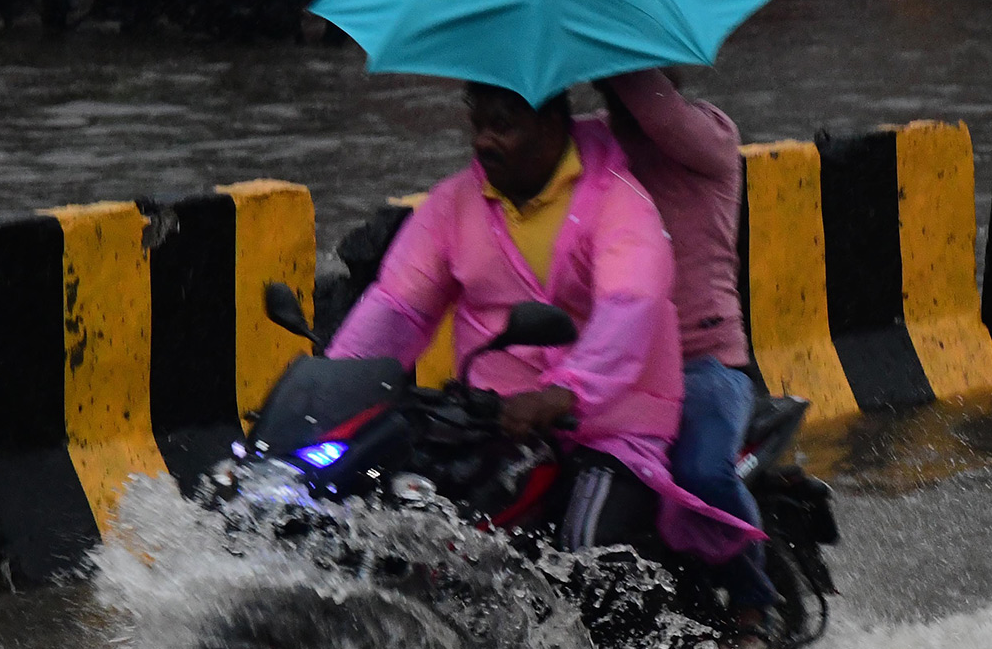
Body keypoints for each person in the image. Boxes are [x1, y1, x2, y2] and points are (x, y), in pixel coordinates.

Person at [327, 81, 765, 583]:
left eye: (504, 126)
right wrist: (336, 389)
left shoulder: (628, 196)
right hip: (501, 417)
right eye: (479, 125)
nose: (484, 142)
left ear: (552, 125)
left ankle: (734, 606)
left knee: (591, 546)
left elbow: (630, 304)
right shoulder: (454, 203)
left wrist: (566, 392)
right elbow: (397, 306)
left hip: (616, 415)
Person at [592, 69, 780, 649]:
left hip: (705, 363)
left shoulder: (709, 135)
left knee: (700, 474)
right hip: (617, 367)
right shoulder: (597, 153)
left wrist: (609, 51)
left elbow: (660, 115)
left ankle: (754, 604)